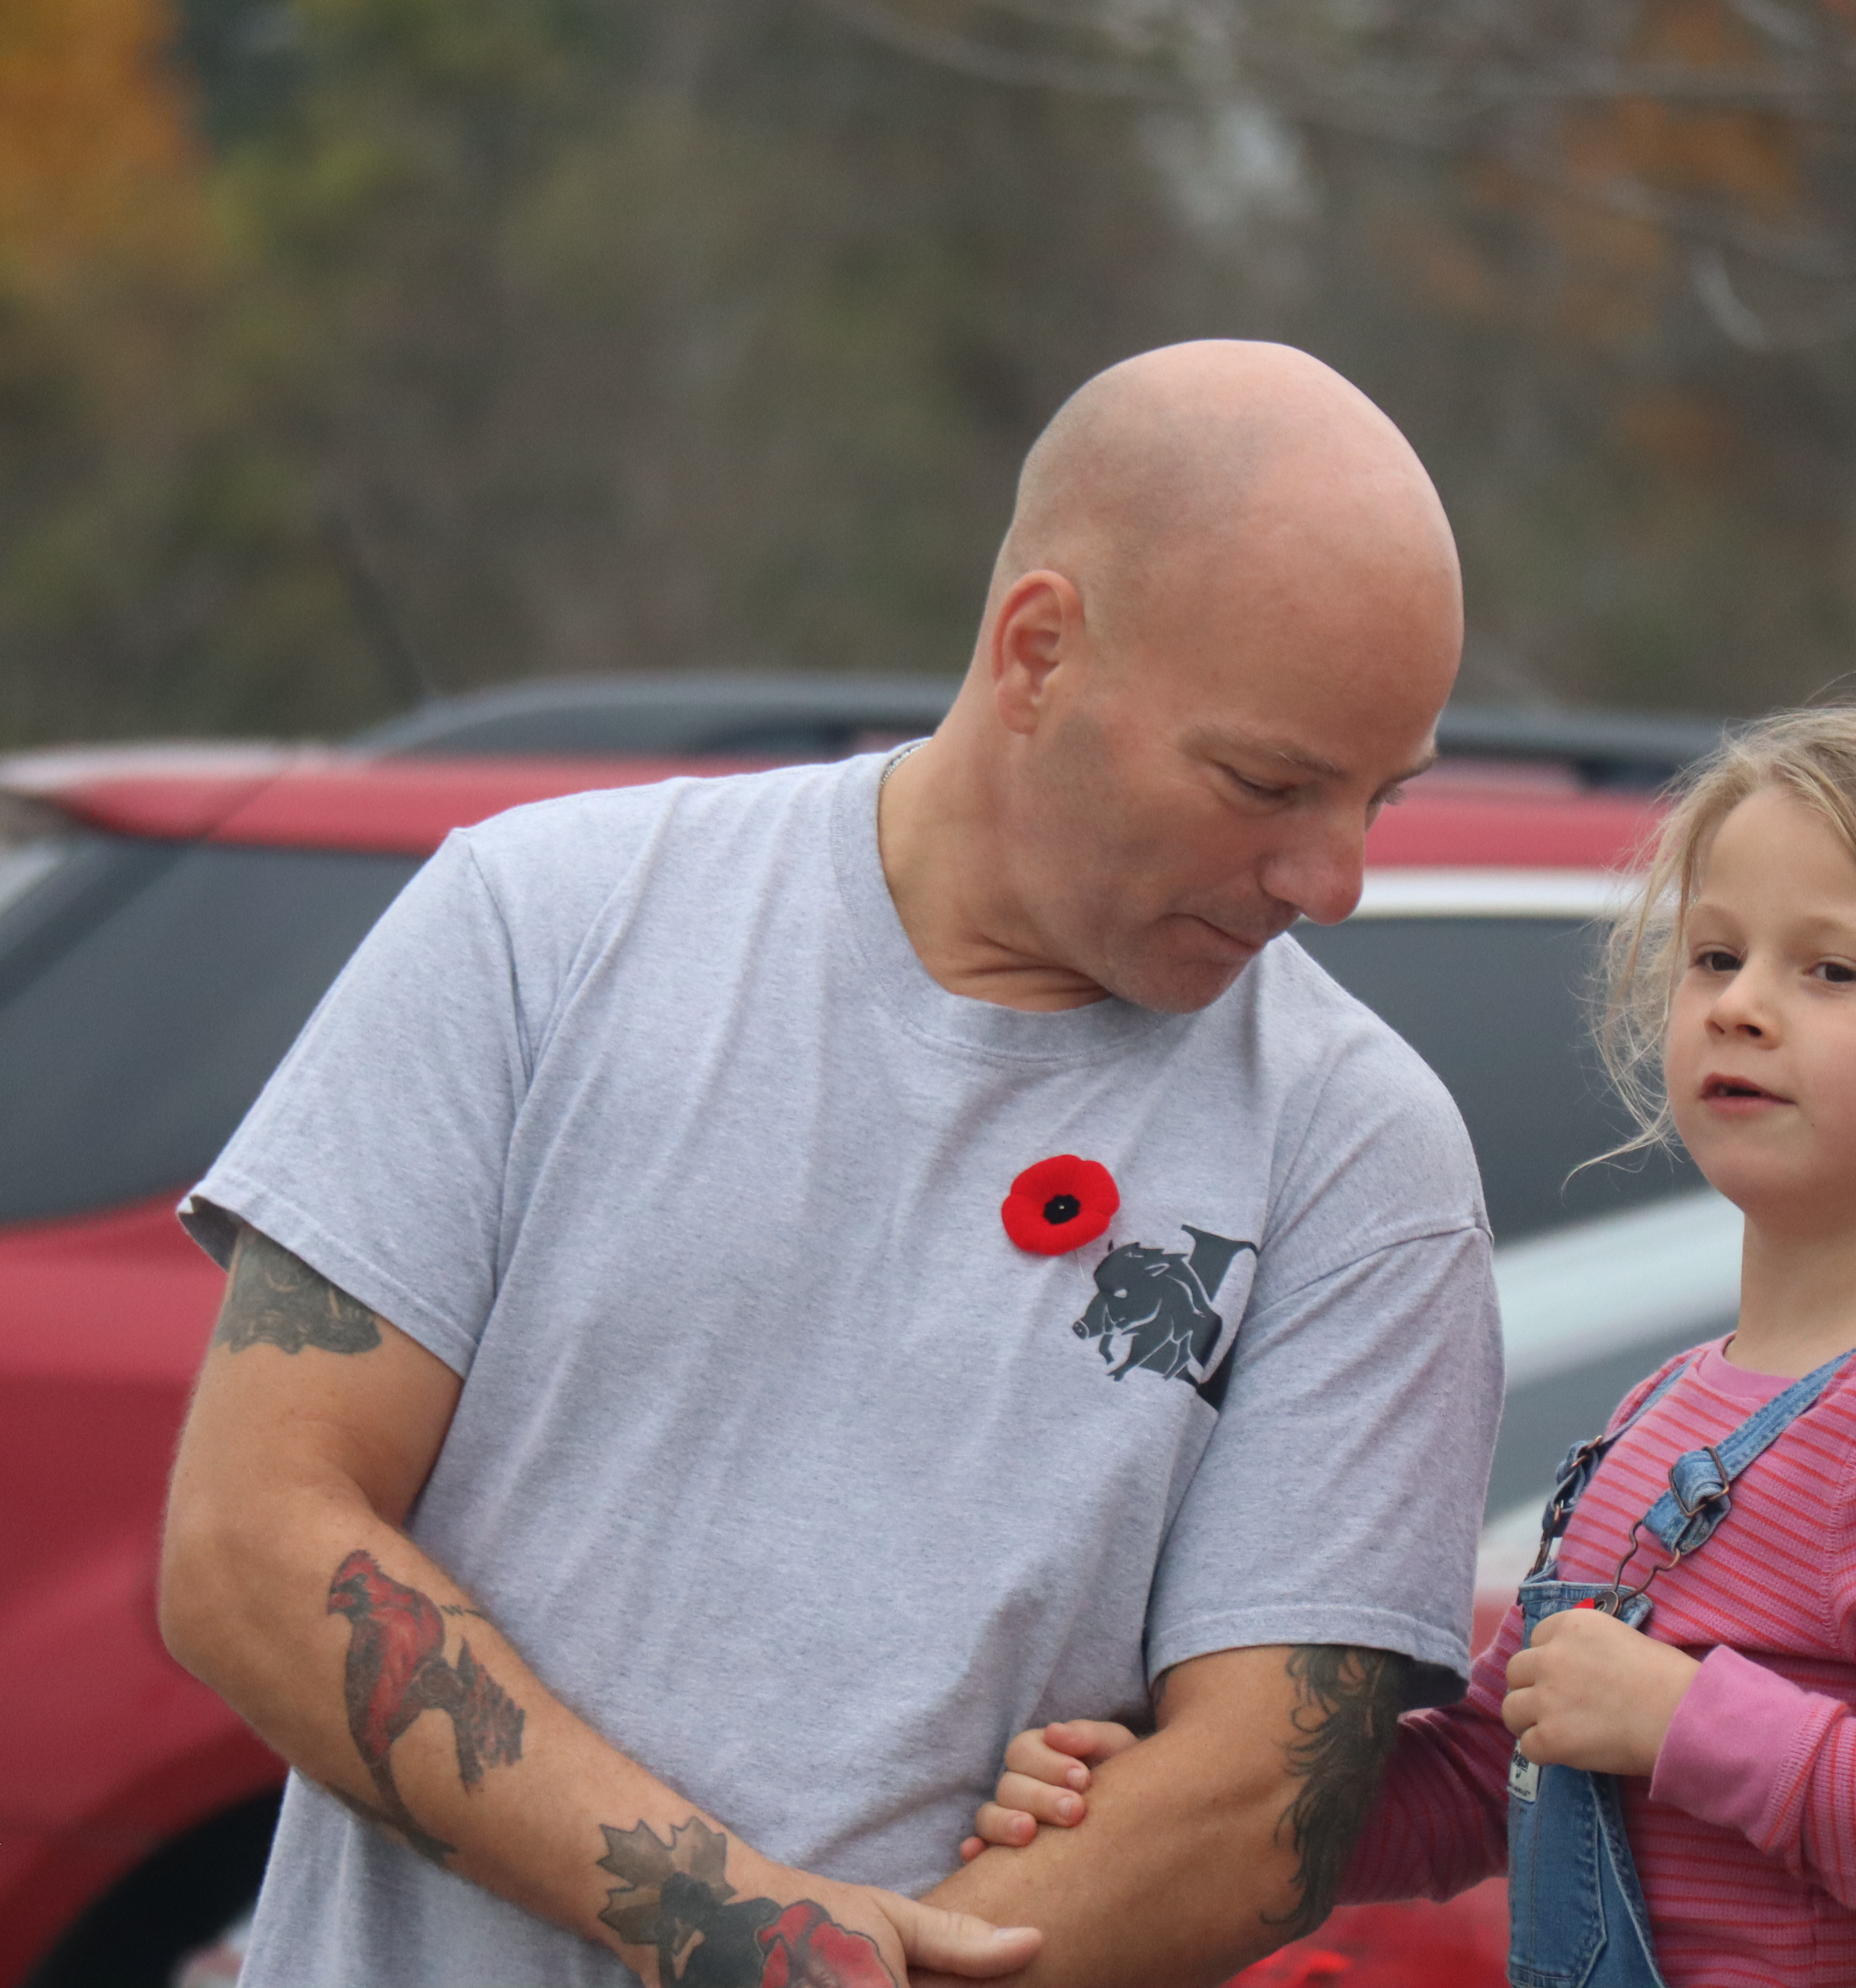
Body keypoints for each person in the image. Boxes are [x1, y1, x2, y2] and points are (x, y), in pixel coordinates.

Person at [157, 339, 1506, 1988]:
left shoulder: (1359, 1154)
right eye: (1269, 783)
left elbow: (1264, 1814)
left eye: (1383, 794)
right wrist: (732, 1929)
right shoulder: (545, 923)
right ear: (1039, 648)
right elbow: (250, 1545)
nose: (1338, 875)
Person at [969, 701, 1856, 1987]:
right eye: (1715, 957)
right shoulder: (1679, 1405)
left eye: (1833, 971)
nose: (1741, 1006)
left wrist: (1688, 1721)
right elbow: (1486, 1775)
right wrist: (1177, 1796)